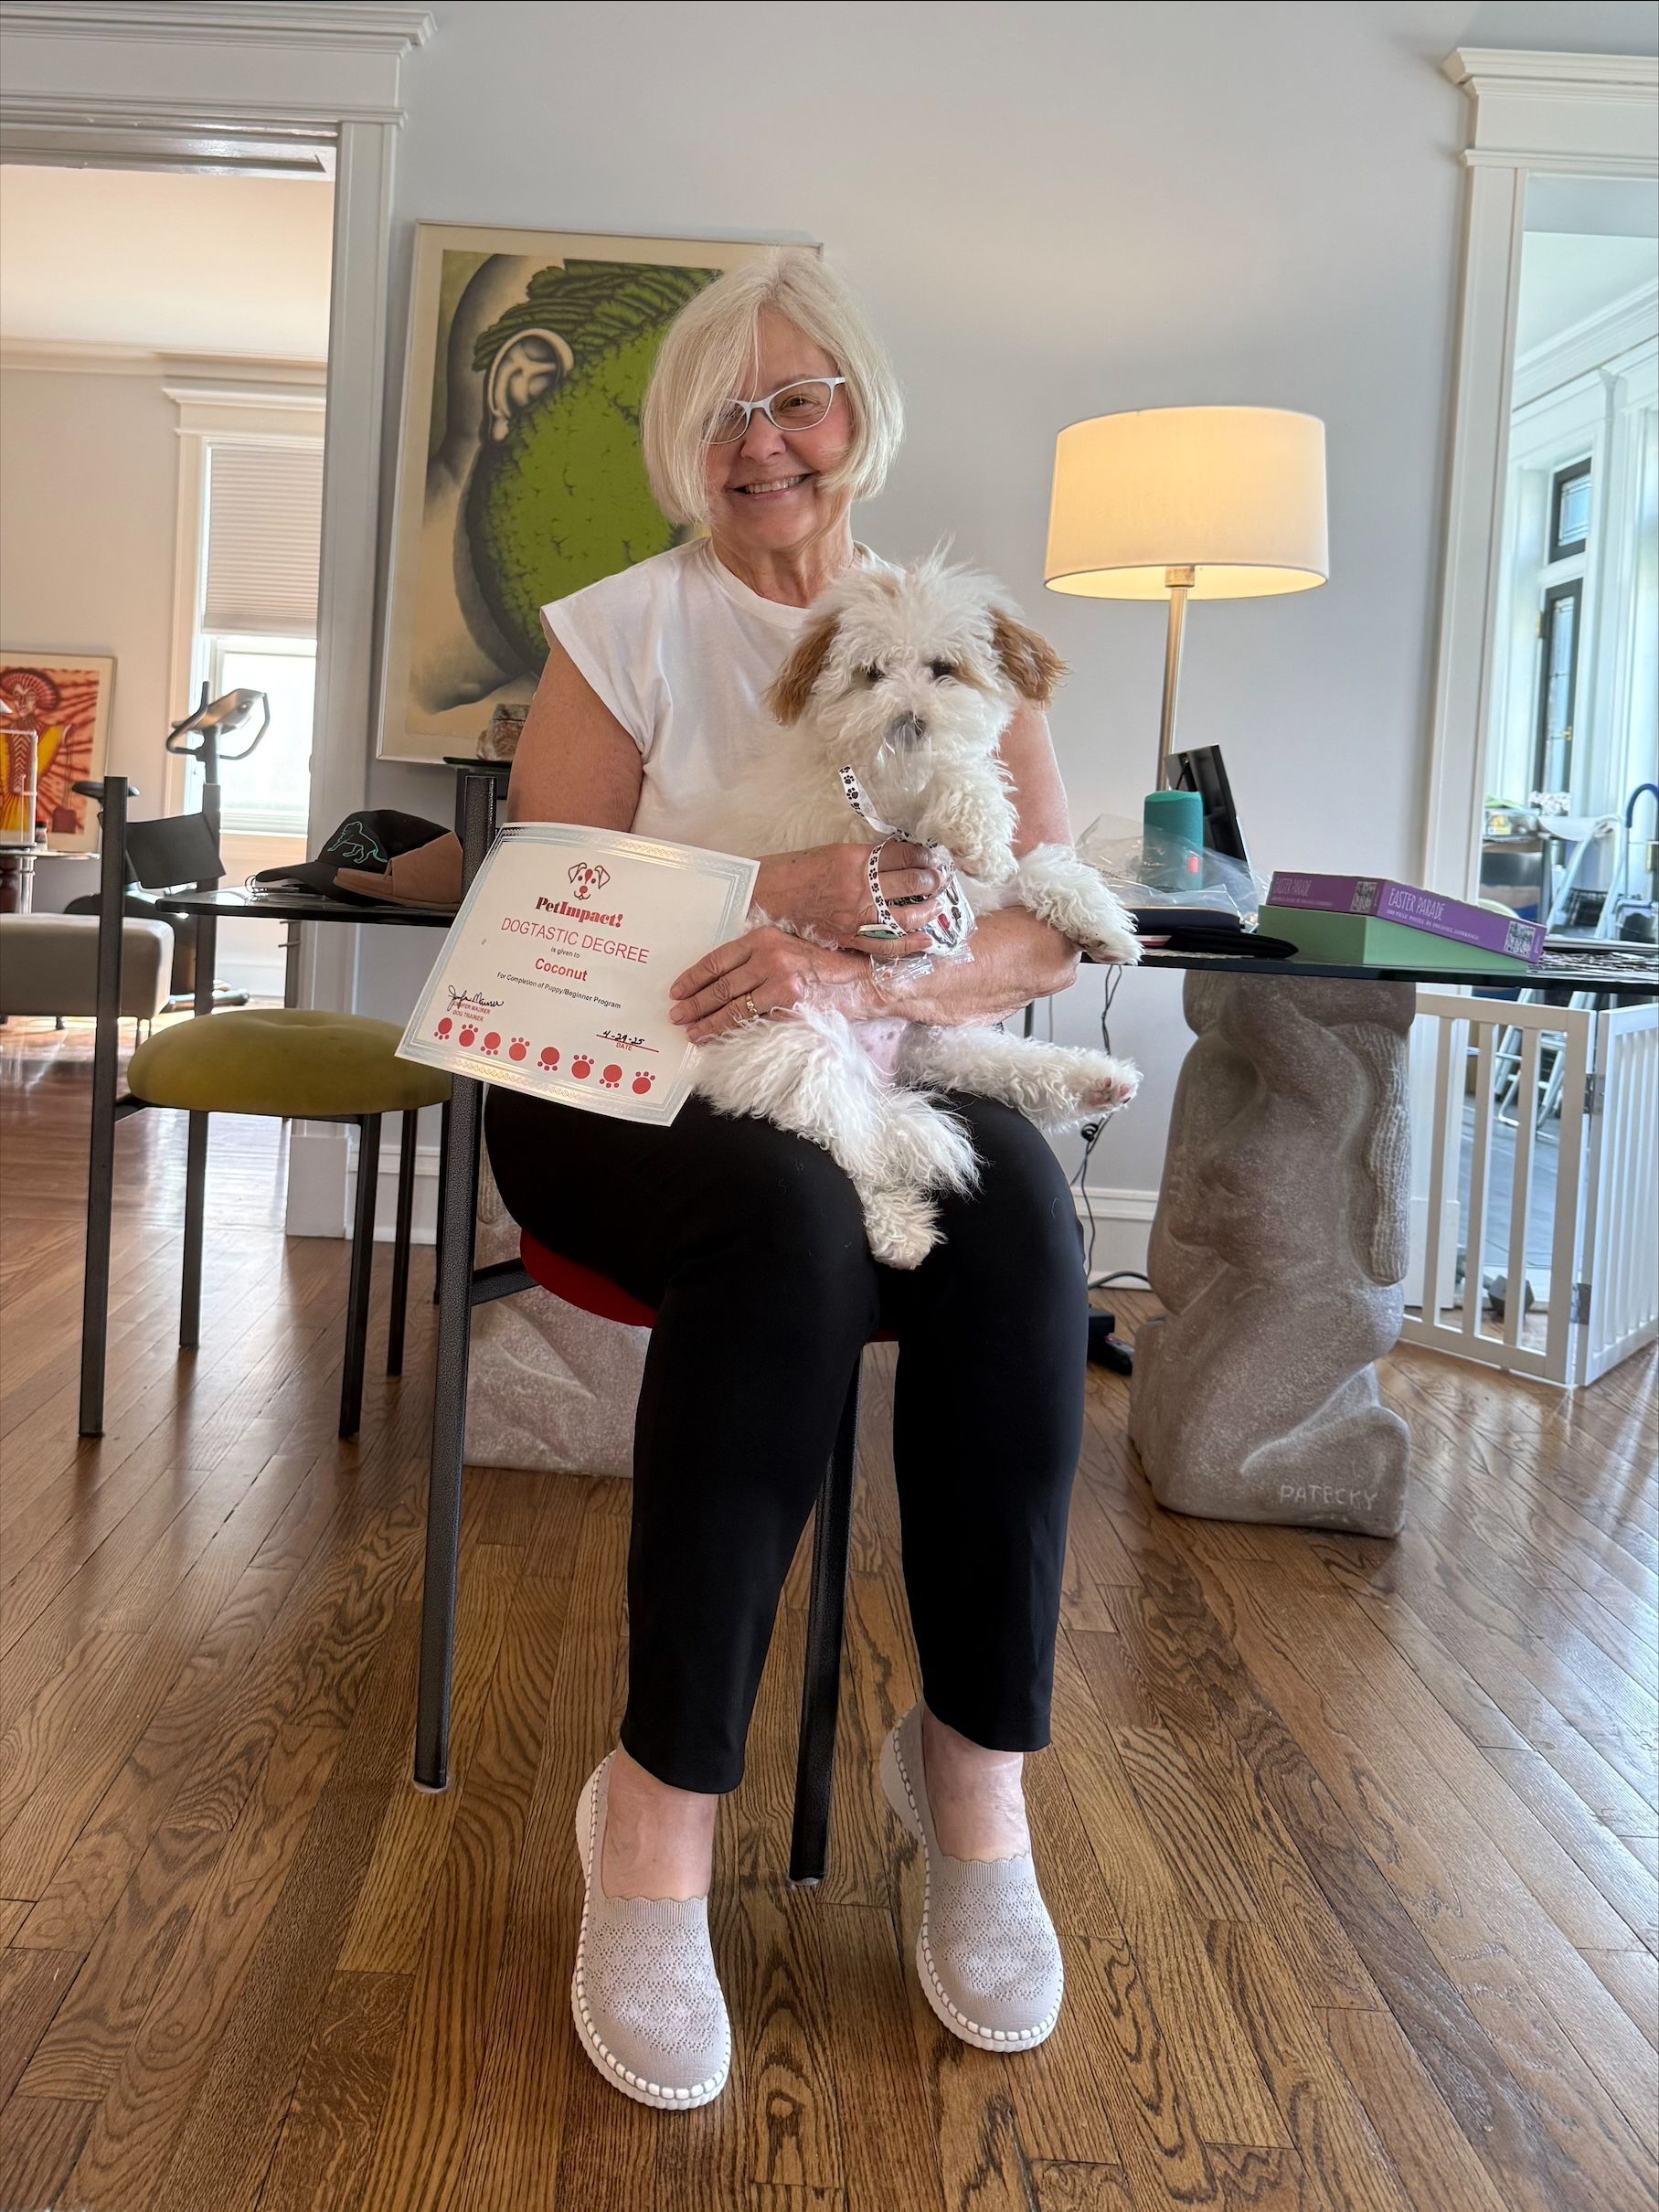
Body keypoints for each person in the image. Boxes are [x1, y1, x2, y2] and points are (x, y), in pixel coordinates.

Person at [488, 250, 1094, 2111]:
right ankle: (658, 1815)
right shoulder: (621, 627)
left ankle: (970, 1776)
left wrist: (870, 972)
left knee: (1016, 1214)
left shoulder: (951, 623)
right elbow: (538, 911)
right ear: (680, 444)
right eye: (723, 411)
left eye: (798, 398)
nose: (765, 443)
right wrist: (781, 903)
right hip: (626, 1086)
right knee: (785, 1225)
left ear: (859, 419)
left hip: (879, 1056)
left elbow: (1047, 929)